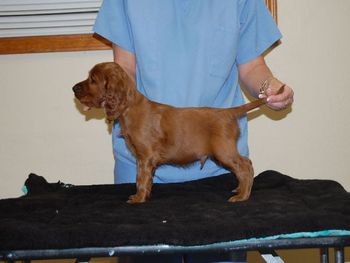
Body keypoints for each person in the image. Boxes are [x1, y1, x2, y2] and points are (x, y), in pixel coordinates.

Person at [93, 0, 294, 262]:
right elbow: (125, 69)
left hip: (217, 174)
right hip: (141, 171)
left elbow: (252, 66)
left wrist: (269, 87)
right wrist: (112, 95)